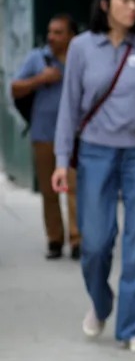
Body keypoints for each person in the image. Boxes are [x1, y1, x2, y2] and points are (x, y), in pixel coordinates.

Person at [52, 0, 135, 353]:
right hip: (95, 152)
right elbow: (68, 107)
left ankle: (134, 328)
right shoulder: (82, 48)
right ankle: (101, 304)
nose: (133, 7)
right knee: (96, 244)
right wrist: (60, 159)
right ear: (105, 4)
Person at [11, 14, 81, 260]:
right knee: (49, 192)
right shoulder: (38, 58)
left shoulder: (79, 59)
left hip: (74, 137)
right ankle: (54, 239)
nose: (52, 37)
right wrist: (41, 79)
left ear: (71, 35)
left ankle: (76, 239)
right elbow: (15, 88)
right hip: (43, 134)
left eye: (58, 32)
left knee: (74, 189)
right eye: (50, 32)